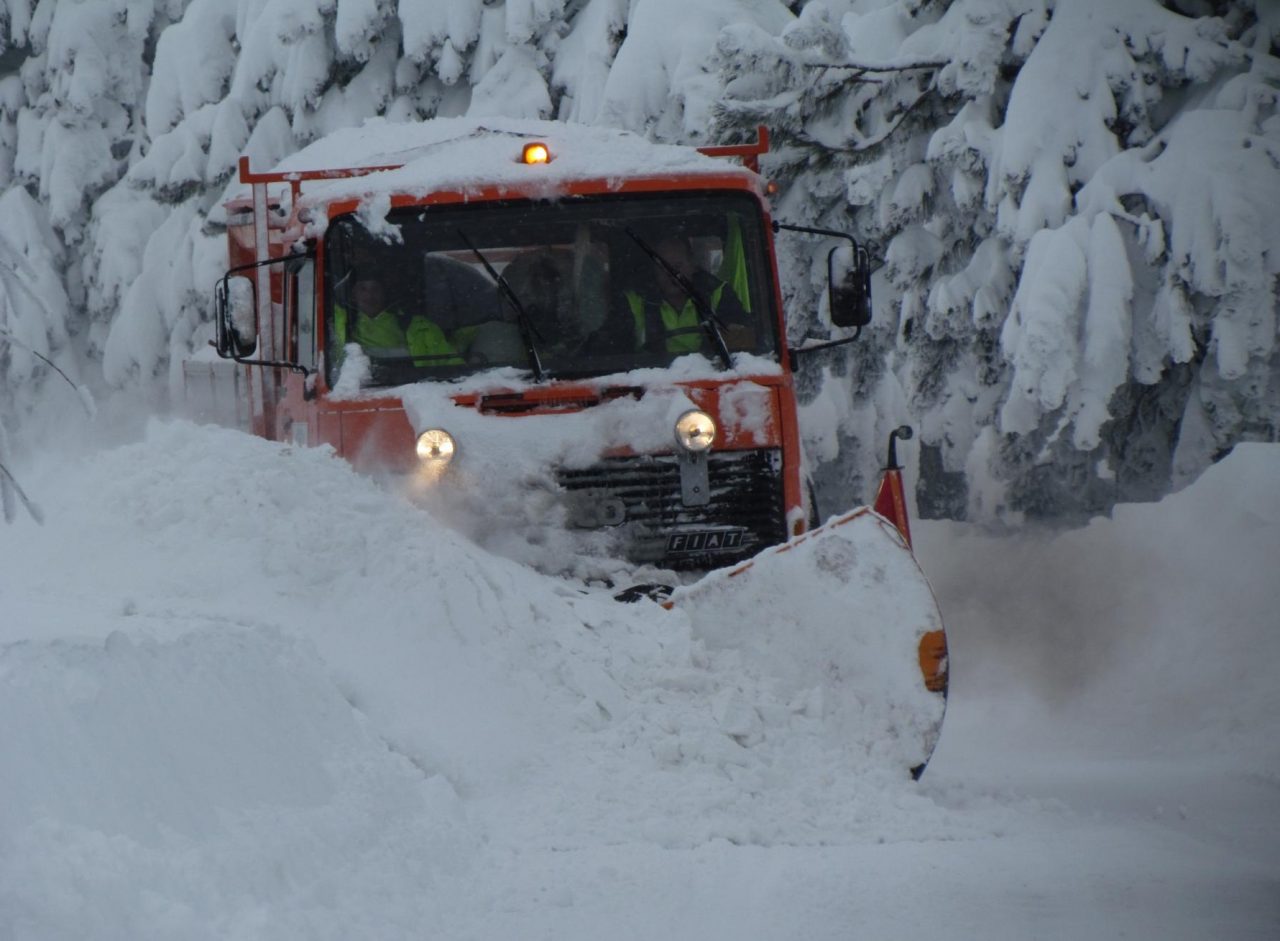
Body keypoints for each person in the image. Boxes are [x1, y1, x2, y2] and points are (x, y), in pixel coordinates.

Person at [623, 234, 754, 355]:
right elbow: (614, 354)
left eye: (678, 266)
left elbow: (743, 348)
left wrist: (734, 334)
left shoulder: (719, 294)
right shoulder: (633, 302)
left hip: (712, 375)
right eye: (662, 266)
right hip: (651, 378)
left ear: (692, 265)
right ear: (654, 270)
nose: (671, 274)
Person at [333, 272, 463, 367]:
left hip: (410, 393)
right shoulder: (337, 321)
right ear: (353, 295)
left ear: (384, 293)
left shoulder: (420, 326)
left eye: (376, 288)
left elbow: (452, 365)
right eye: (362, 289)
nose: (370, 295)